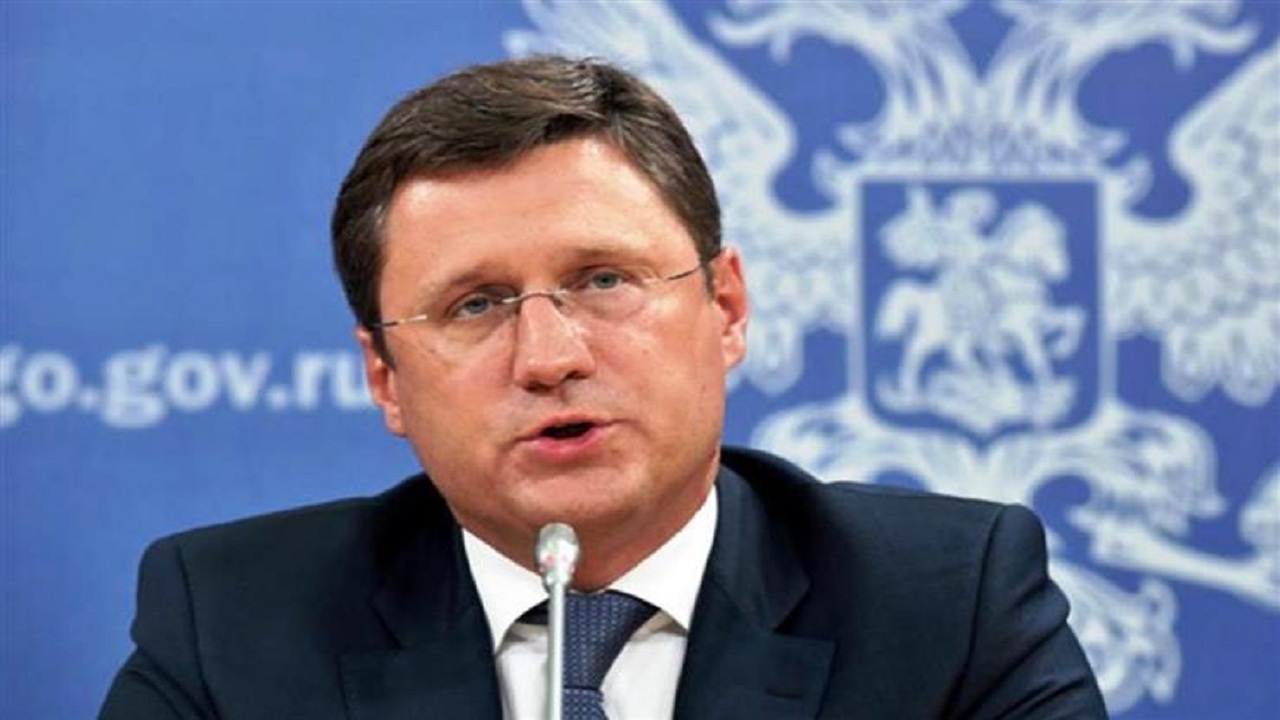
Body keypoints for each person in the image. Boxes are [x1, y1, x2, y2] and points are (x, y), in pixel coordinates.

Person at [100, 55, 1106, 719]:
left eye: (604, 281)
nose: (548, 357)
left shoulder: (944, 608)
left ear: (724, 307)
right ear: (385, 379)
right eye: (474, 305)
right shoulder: (235, 624)